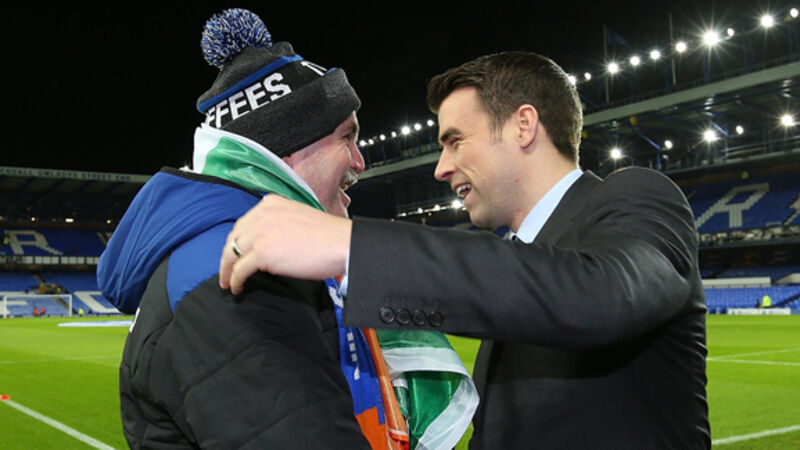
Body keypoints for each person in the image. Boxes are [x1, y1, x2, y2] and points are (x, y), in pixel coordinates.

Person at [219, 51, 711, 448]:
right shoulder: (514, 266)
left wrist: (350, 246)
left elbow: (602, 294)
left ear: (523, 126)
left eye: (454, 141)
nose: (441, 167)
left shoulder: (638, 196)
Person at [97, 9, 371, 449]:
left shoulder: (245, 252)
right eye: (347, 137)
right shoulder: (235, 273)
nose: (360, 161)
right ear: (286, 151)